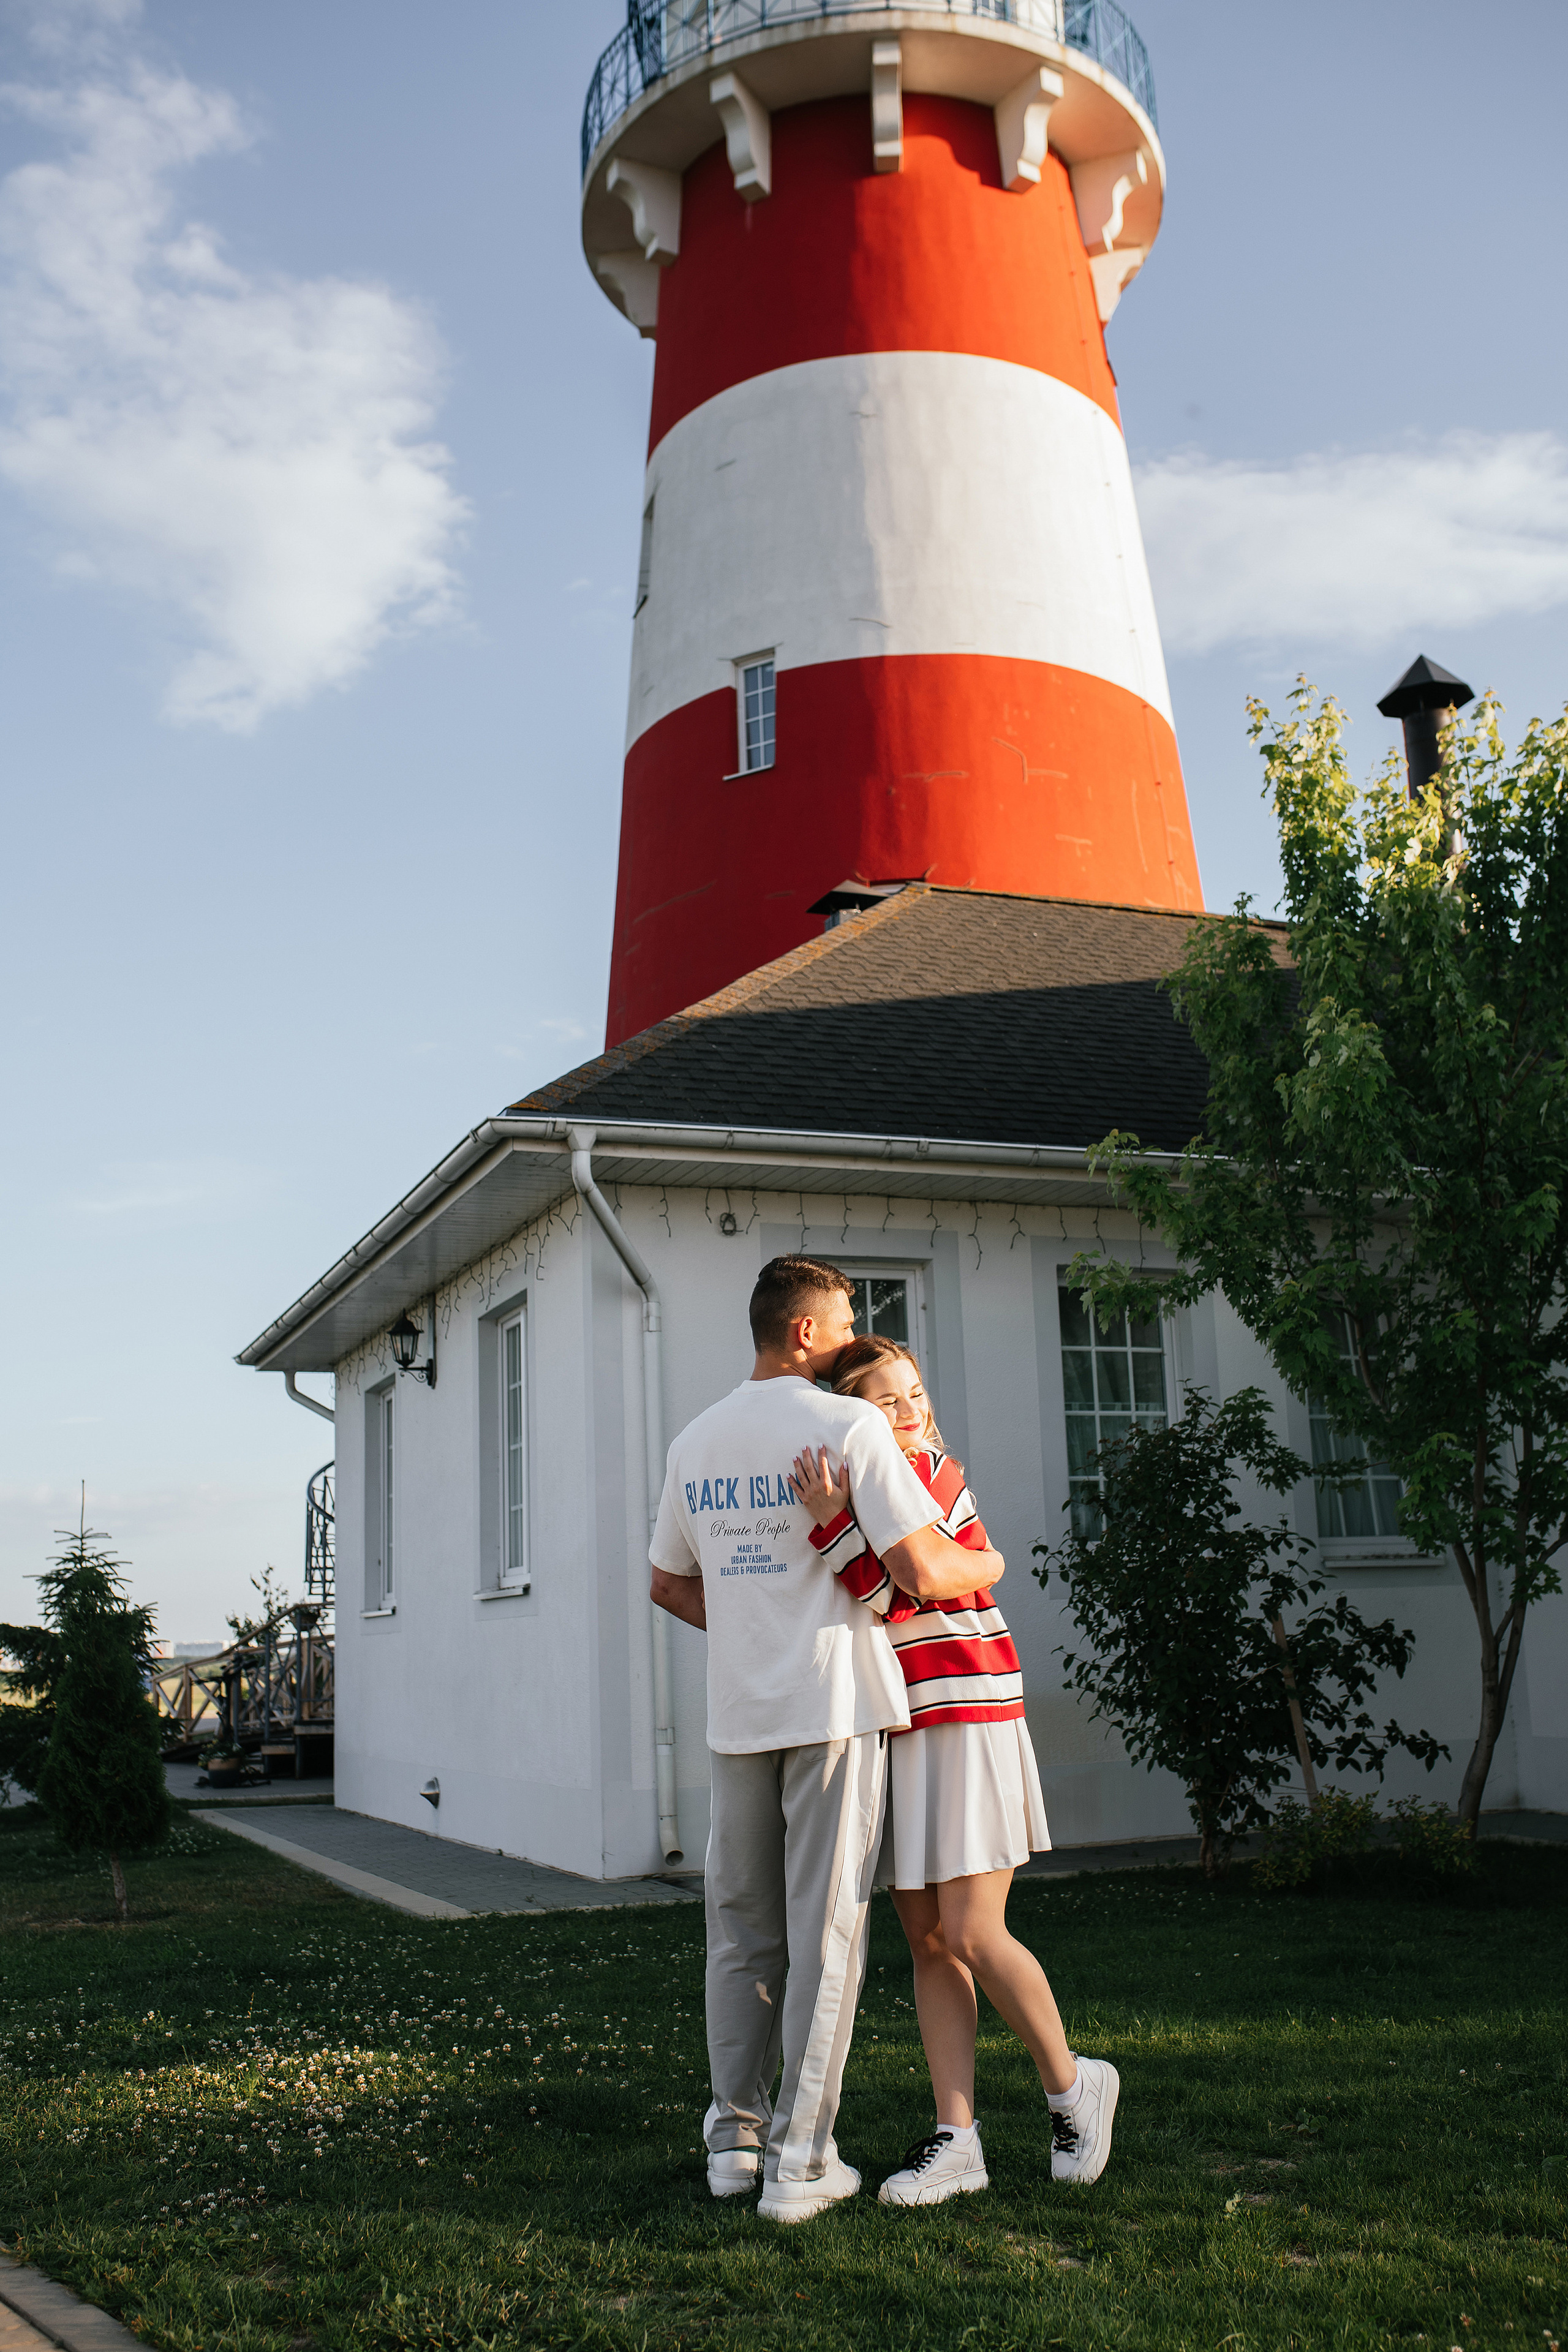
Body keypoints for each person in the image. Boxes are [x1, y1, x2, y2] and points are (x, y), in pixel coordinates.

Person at [649, 1254, 997, 2224]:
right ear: (805, 1330)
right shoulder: (847, 1424)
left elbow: (668, 1584)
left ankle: (734, 2139)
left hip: (738, 1717)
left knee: (741, 1933)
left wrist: (759, 1617)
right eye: (846, 1319)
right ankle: (801, 2162)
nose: (855, 1336)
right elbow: (925, 1568)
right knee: (828, 1933)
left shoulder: (696, 1439)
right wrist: (994, 1557)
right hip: (835, 1709)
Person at [791, 1334, 1118, 2204]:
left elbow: (910, 1581)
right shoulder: (861, 1483)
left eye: (915, 1392)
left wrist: (838, 1530)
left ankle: (1073, 2085)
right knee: (930, 1942)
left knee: (974, 1932)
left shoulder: (926, 1468)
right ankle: (958, 2140)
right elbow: (882, 1586)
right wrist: (848, 1534)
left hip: (968, 1706)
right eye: (888, 1401)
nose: (911, 1412)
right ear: (853, 1414)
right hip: (900, 1722)